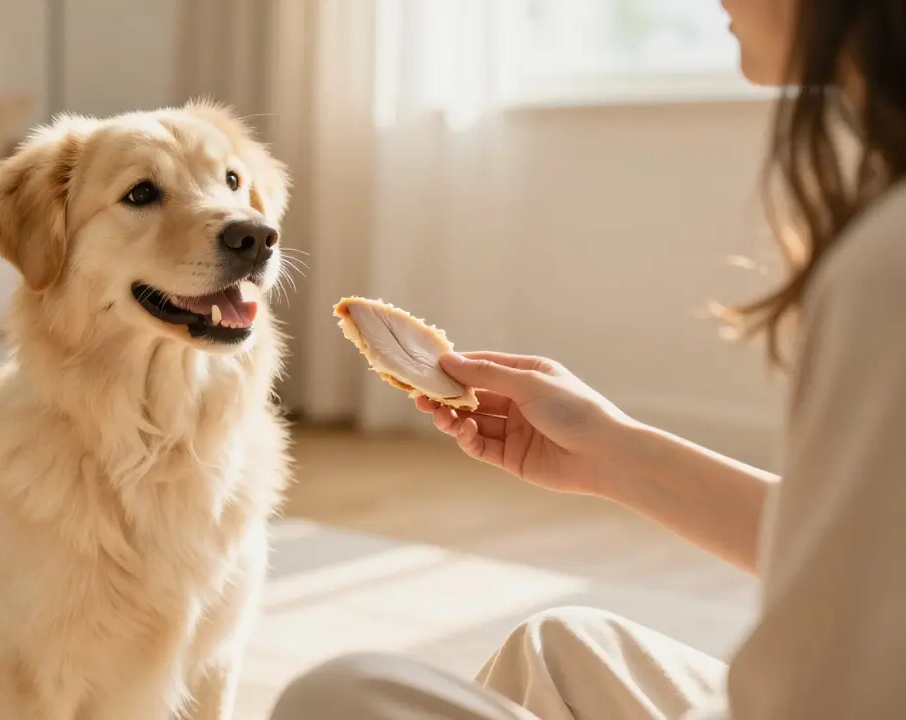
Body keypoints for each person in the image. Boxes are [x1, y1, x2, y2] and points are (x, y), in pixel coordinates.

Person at [269, 0, 906, 718]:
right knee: (562, 646)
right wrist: (611, 451)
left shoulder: (887, 270)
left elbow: (827, 686)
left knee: (341, 697)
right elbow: (861, 562)